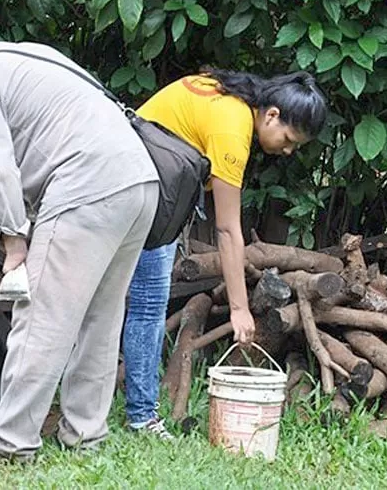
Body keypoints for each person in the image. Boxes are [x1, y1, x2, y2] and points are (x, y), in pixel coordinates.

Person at [0, 21, 159, 462]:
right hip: (139, 183)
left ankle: (9, 443)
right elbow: (45, 135)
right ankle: (85, 435)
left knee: (41, 319)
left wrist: (14, 244)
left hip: (87, 189)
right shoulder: (26, 54)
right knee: (100, 321)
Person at [122, 69, 328, 437]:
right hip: (140, 193)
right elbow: (229, 230)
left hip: (127, 180)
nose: (288, 149)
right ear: (272, 115)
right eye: (288, 139)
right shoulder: (232, 129)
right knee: (149, 306)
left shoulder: (224, 91)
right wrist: (238, 309)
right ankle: (142, 417)